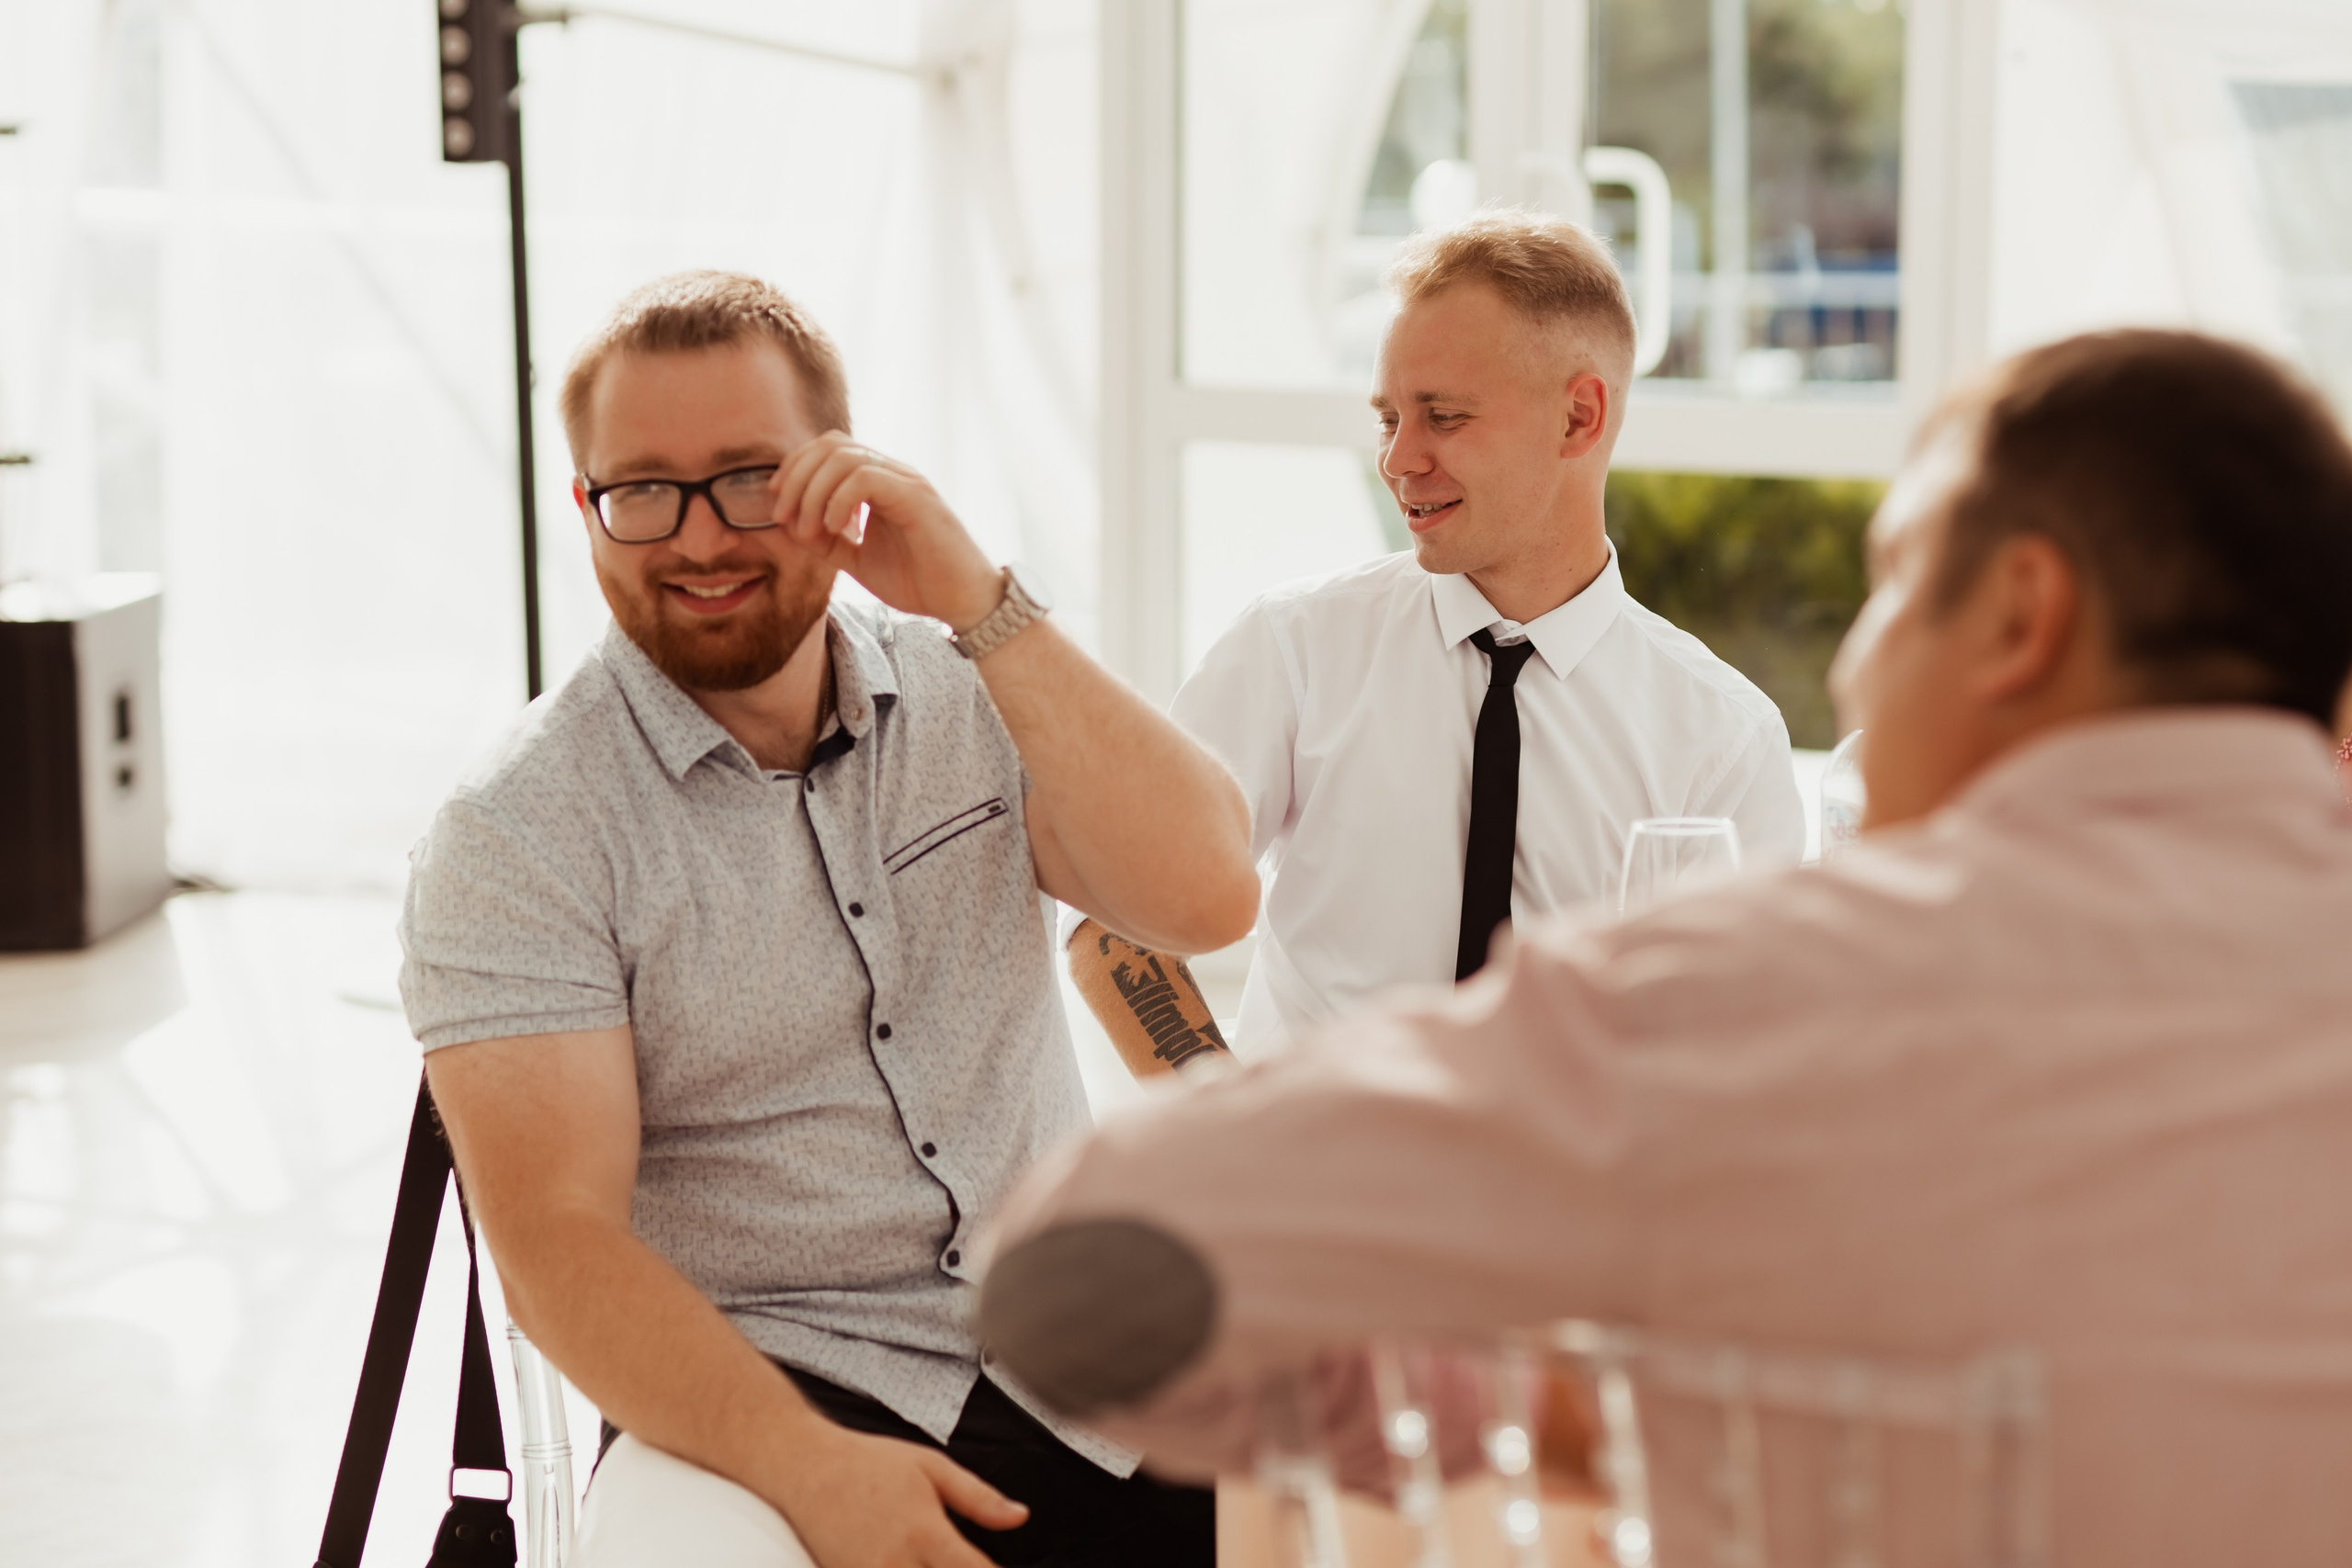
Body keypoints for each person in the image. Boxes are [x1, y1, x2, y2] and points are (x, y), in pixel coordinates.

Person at [978, 329, 2352, 1567]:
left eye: (1893, 582)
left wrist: (1567, 1409)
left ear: (2018, 615)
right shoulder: (1306, 645)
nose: (1860, 666)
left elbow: (1073, 1275)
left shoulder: (1734, 994)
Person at [398, 271, 1257, 1568]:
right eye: (641, 490)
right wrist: (814, 1469)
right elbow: (556, 1242)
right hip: (768, 1381)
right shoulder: (520, 831)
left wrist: (979, 596)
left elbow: (1207, 891)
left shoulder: (976, 687)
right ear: (586, 509)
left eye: (750, 477)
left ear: (842, 481)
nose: (697, 539)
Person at [1069, 211, 1804, 1066]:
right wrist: (1232, 1134)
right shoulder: (1297, 649)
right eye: (1388, 419)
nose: (1397, 459)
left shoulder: (1721, 741)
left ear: (1578, 419)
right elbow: (1114, 923)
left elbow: (1744, 1054)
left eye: (1443, 416)